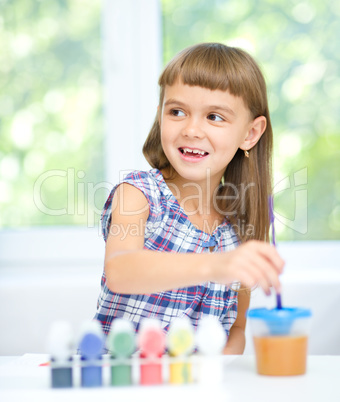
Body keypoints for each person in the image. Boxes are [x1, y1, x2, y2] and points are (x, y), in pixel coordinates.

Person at [94, 43, 284, 355]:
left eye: (214, 116)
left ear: (250, 133)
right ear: (160, 117)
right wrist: (215, 265)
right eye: (177, 112)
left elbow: (236, 328)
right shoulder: (139, 194)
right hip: (118, 382)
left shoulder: (240, 231)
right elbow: (121, 270)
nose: (192, 129)